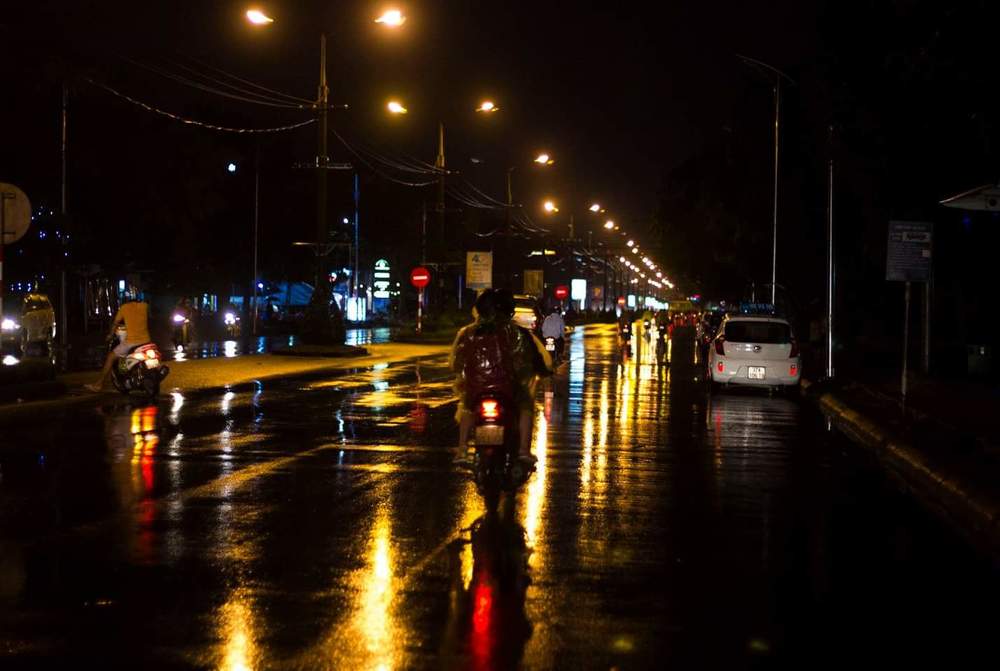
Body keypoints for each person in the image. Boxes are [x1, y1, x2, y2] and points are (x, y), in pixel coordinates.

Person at [451, 289, 551, 463]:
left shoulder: (467, 333)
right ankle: (523, 451)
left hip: (476, 390)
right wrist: (544, 373)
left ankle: (462, 449)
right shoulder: (518, 333)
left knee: (467, 406)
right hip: (509, 390)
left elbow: (456, 363)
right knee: (526, 406)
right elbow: (535, 359)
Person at [86, 297, 152, 392]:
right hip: (146, 341)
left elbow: (115, 323)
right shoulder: (144, 306)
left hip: (131, 342)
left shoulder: (124, 308)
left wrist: (110, 335)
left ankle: (99, 384)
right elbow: (150, 316)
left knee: (111, 357)